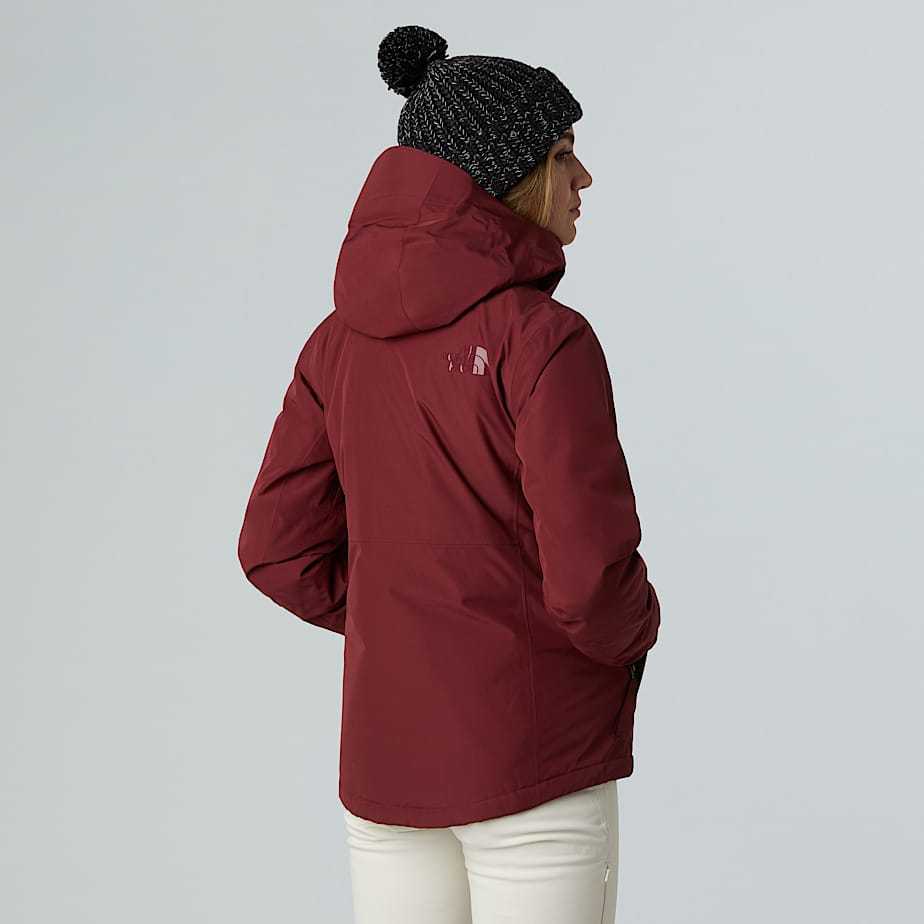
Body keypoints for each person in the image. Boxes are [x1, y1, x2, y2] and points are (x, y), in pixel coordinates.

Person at [237, 24, 661, 924]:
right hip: (533, 762)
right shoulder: (542, 340)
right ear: (508, 175)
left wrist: (411, 625)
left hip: (388, 762)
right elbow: (591, 582)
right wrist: (636, 633)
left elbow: (276, 549)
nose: (584, 178)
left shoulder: (334, 342)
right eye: (563, 153)